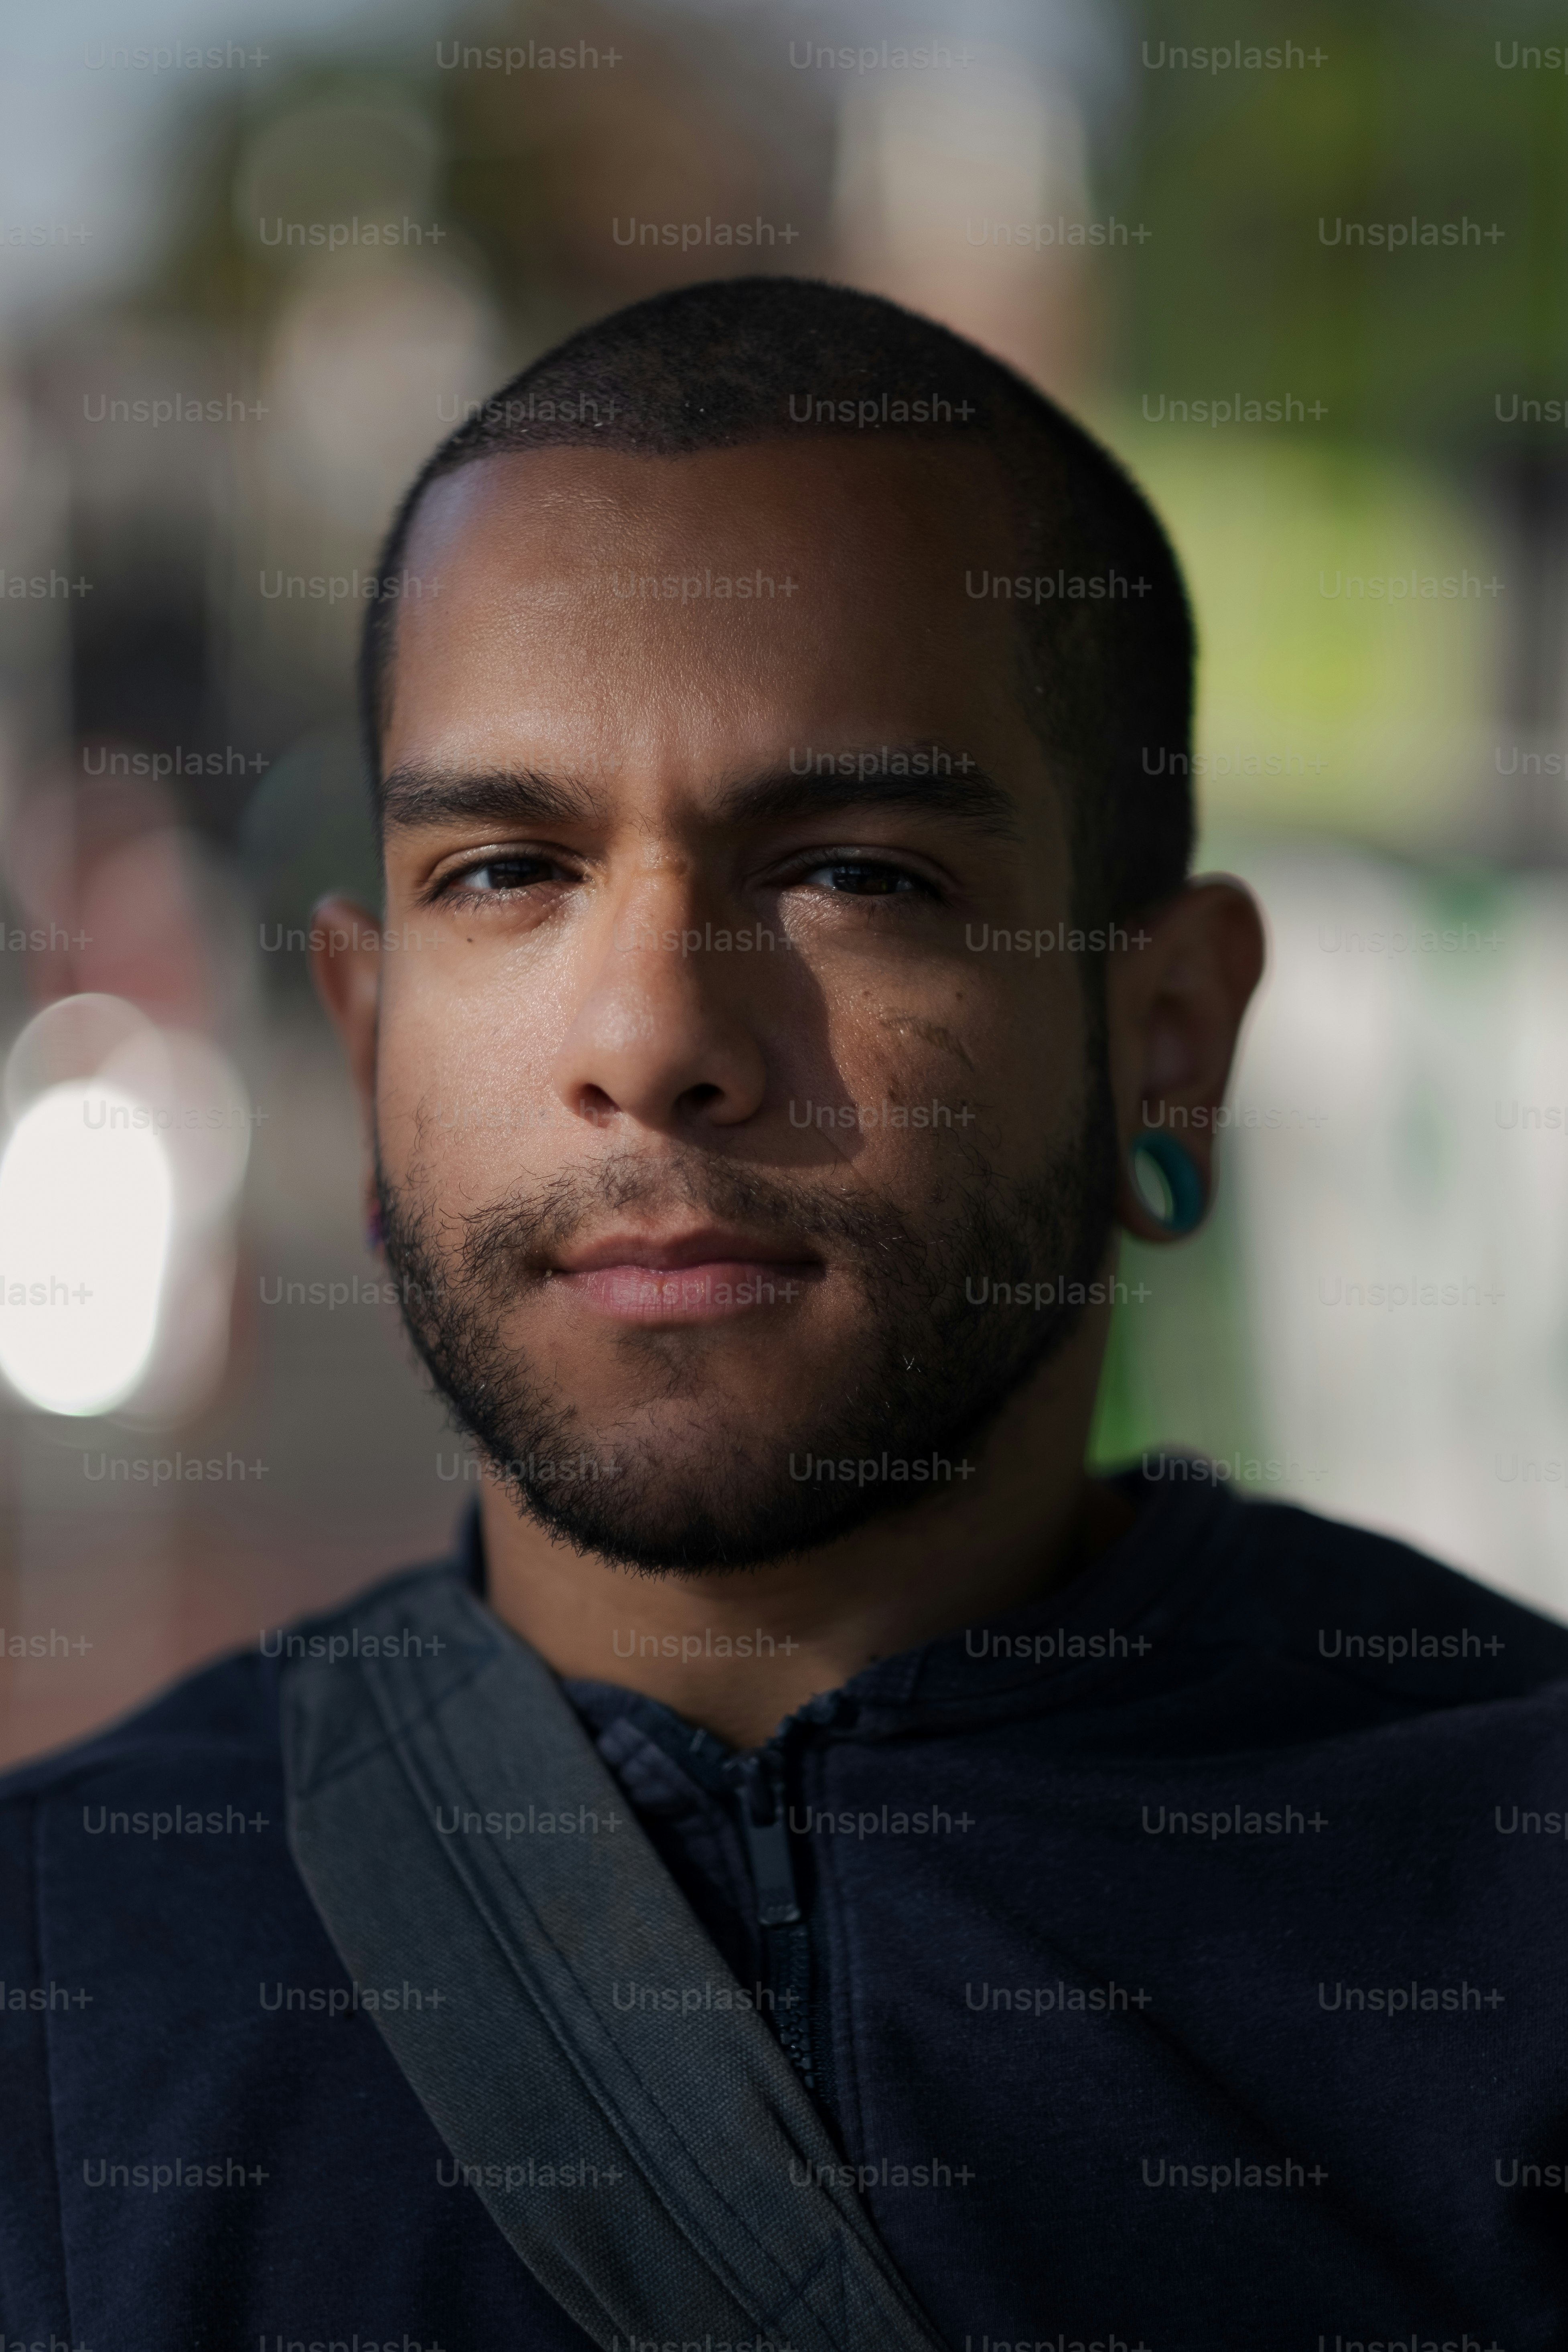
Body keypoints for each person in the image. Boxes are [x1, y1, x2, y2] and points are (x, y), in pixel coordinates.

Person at [1, 276, 1556, 2352]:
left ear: (1167, 1029)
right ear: (366, 1038)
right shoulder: (55, 1989)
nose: (650, 1038)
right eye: (504, 871)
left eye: (852, 869)